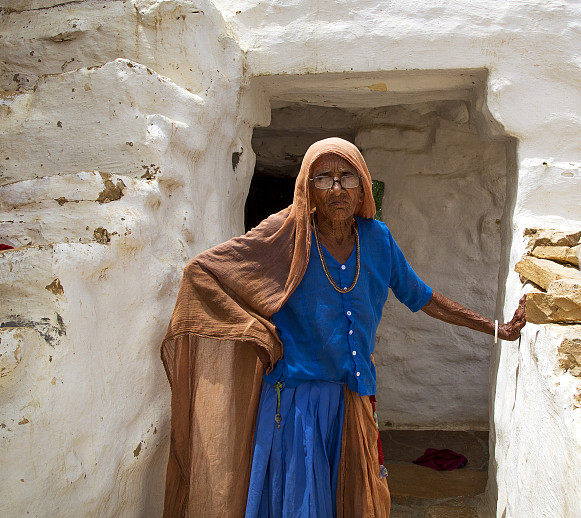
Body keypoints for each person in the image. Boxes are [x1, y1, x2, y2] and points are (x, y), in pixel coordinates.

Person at [160, 137, 526, 518]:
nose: (337, 188)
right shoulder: (286, 234)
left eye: (347, 177)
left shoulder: (378, 239)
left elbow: (423, 297)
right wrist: (258, 333)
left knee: (358, 502)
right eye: (323, 178)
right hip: (297, 406)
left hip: (354, 399)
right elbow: (203, 272)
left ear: (363, 185)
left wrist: (495, 327)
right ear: (307, 188)